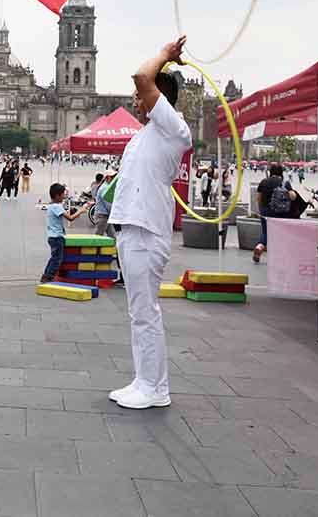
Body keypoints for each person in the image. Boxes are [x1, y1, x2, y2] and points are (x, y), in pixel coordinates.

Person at [107, 36, 192, 410]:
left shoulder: (173, 128)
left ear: (159, 97)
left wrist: (165, 55)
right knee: (138, 313)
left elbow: (143, 76)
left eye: (140, 97)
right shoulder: (147, 134)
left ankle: (156, 389)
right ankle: (145, 381)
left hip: (145, 232)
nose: (135, 100)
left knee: (145, 314)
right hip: (131, 229)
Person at [40, 183, 92, 282]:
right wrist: (81, 211)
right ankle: (48, 277)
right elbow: (70, 218)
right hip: (57, 237)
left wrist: (73, 210)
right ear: (57, 196)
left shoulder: (51, 206)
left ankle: (46, 276)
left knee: (54, 258)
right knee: (57, 259)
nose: (64, 197)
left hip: (52, 237)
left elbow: (65, 214)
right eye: (63, 194)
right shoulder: (57, 207)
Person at [252, 163, 297, 263]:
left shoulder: (264, 182)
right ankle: (280, 255)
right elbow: (293, 197)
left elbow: (258, 199)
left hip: (265, 211)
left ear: (270, 172)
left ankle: (259, 246)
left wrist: (260, 210)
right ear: (281, 172)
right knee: (281, 233)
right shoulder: (284, 182)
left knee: (265, 232)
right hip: (281, 213)